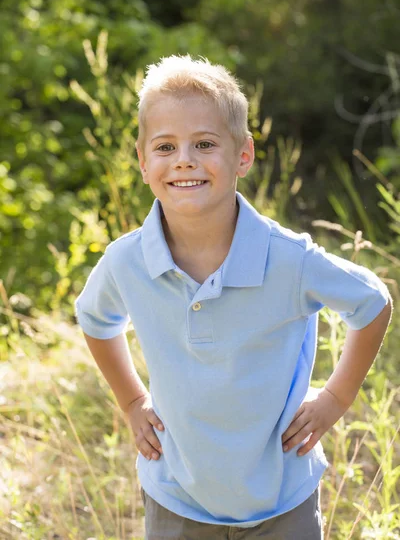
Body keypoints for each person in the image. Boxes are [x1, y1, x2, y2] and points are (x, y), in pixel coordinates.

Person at [74, 55, 392, 540]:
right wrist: (132, 399)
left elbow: (372, 303)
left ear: (242, 155)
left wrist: (336, 397)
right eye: (165, 146)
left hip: (282, 497)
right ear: (142, 161)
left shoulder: (289, 260)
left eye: (204, 144)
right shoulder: (128, 261)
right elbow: (96, 320)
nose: (184, 159)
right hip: (176, 496)